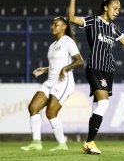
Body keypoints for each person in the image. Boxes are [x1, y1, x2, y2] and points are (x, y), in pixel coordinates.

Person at [68, 0, 124, 155]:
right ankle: (90, 141)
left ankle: (88, 144)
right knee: (104, 103)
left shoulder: (113, 27)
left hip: (108, 70)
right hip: (95, 67)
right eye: (115, 8)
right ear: (106, 7)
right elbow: (71, 18)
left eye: (119, 9)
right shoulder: (93, 21)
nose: (117, 11)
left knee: (98, 104)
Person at [20, 17, 84, 151]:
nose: (52, 26)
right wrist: (44, 69)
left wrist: (65, 69)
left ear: (64, 27)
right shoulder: (53, 45)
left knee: (50, 112)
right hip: (50, 81)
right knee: (33, 108)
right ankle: (36, 143)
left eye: (56, 24)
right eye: (52, 24)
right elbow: (56, 66)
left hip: (64, 81)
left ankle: (62, 145)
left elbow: (79, 61)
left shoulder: (68, 41)